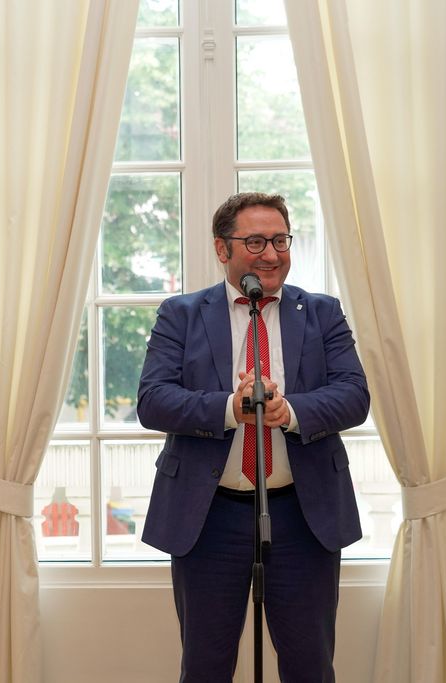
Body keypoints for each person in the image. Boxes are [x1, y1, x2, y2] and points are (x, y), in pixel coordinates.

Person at [137, 192, 369, 682]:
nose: (272, 254)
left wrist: (289, 411)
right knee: (205, 666)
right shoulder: (181, 314)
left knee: (310, 666)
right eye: (256, 241)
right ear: (223, 250)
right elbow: (153, 400)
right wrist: (230, 408)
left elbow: (354, 395)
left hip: (303, 516)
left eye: (280, 240)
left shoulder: (322, 313)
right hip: (209, 517)